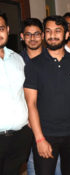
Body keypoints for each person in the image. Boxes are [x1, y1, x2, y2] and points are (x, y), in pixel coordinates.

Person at [23, 15, 70, 175]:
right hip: (45, 134)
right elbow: (31, 104)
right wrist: (39, 139)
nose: (52, 35)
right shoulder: (33, 65)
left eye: (57, 31)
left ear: (66, 34)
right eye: (48, 31)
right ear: (44, 34)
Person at [0, 12, 32, 175]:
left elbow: (25, 93)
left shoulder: (18, 59)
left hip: (21, 137)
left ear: (7, 29)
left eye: (1, 28)